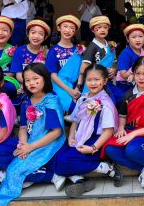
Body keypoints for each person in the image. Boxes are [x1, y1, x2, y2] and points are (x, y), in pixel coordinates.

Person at [0, 63, 66, 206]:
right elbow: (22, 128)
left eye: (35, 79)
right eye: (27, 80)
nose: (31, 83)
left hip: (46, 142)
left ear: (45, 79)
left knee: (17, 167)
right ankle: (34, 173)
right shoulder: (26, 100)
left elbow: (56, 132)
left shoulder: (51, 101)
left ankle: (44, 175)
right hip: (27, 140)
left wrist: (31, 147)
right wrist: (23, 144)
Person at [52, 64, 122, 197]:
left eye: (97, 79)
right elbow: (75, 120)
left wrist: (92, 148)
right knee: (57, 156)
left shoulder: (105, 103)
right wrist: (71, 137)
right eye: (89, 80)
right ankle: (79, 179)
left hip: (96, 140)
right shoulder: (83, 99)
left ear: (105, 81)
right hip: (80, 136)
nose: (93, 83)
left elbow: (108, 131)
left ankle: (105, 168)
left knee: (64, 161)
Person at [104, 56, 144, 188]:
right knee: (110, 149)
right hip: (130, 130)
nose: (141, 77)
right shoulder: (128, 94)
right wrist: (121, 128)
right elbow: (123, 115)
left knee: (132, 150)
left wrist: (133, 134)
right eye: (137, 73)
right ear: (133, 74)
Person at [46, 15, 83, 114]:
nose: (68, 30)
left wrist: (77, 87)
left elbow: (81, 71)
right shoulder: (53, 51)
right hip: (58, 85)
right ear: (59, 28)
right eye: (65, 26)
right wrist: (70, 91)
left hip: (76, 86)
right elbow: (52, 75)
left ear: (75, 31)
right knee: (73, 108)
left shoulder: (78, 50)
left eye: (72, 28)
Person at [75, 16, 117, 93]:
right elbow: (83, 70)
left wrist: (114, 70)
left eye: (105, 27)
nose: (102, 30)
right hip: (95, 84)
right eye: (99, 27)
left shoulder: (110, 45)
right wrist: (79, 86)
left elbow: (114, 62)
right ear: (92, 30)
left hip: (108, 82)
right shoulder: (91, 48)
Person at [113, 23, 144, 105]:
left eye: (140, 36)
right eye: (134, 37)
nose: (138, 40)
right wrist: (135, 71)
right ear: (127, 39)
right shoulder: (125, 53)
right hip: (125, 84)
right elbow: (123, 75)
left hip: (139, 82)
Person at [10, 20, 51, 84]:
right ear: (27, 34)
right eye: (33, 32)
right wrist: (30, 84)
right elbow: (19, 76)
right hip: (24, 85)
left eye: (41, 34)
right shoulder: (19, 51)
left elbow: (49, 75)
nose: (36, 36)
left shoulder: (47, 52)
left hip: (41, 85)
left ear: (45, 37)